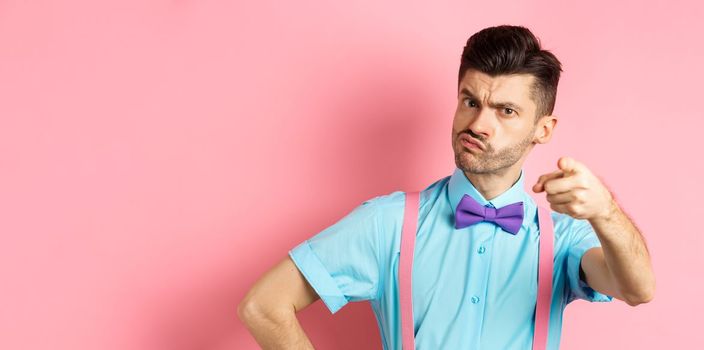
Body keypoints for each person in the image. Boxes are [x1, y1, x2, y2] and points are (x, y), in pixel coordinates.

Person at [238, 24, 655, 350]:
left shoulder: (563, 237)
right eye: (470, 101)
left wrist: (605, 212)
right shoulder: (388, 224)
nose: (478, 124)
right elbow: (263, 305)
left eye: (505, 111)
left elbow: (638, 289)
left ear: (542, 129)